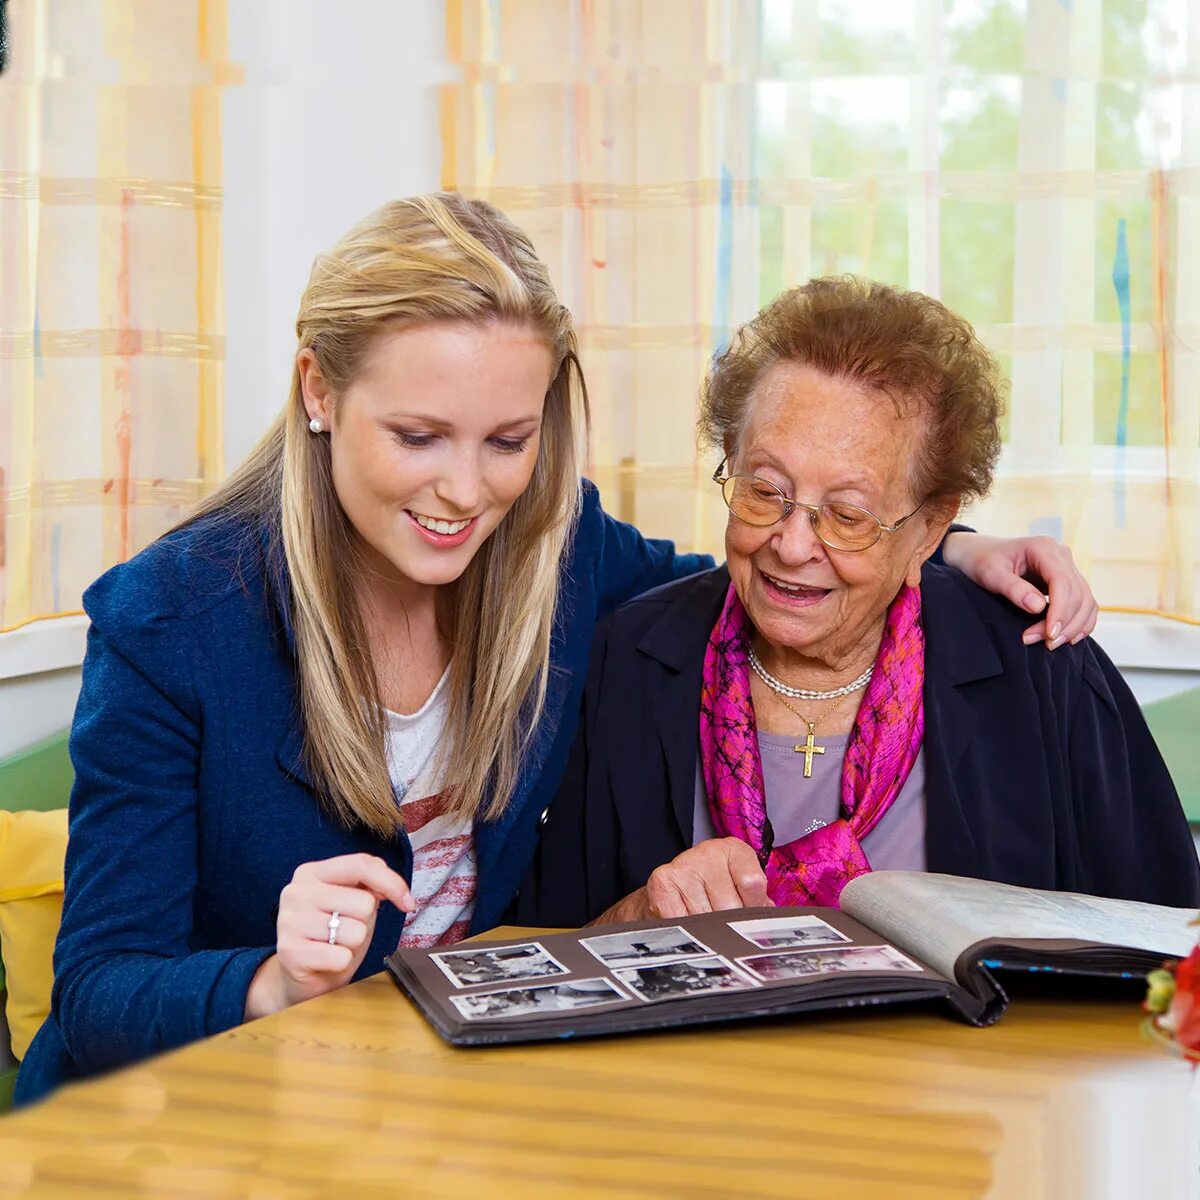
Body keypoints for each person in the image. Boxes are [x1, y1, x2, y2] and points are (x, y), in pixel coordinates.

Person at [16, 198, 1096, 1103]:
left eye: (509, 441)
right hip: (192, 1120)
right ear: (318, 391)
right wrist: (272, 981)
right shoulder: (173, 618)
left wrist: (946, 542)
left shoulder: (554, 549)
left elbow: (759, 568)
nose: (465, 492)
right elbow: (101, 994)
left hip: (435, 1101)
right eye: (417, 436)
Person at [516, 277, 1200, 928]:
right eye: (764, 490)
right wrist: (638, 918)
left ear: (931, 526)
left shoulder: (1042, 667)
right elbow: (535, 956)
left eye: (847, 515)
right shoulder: (629, 664)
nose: (790, 544)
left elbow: (1166, 957)